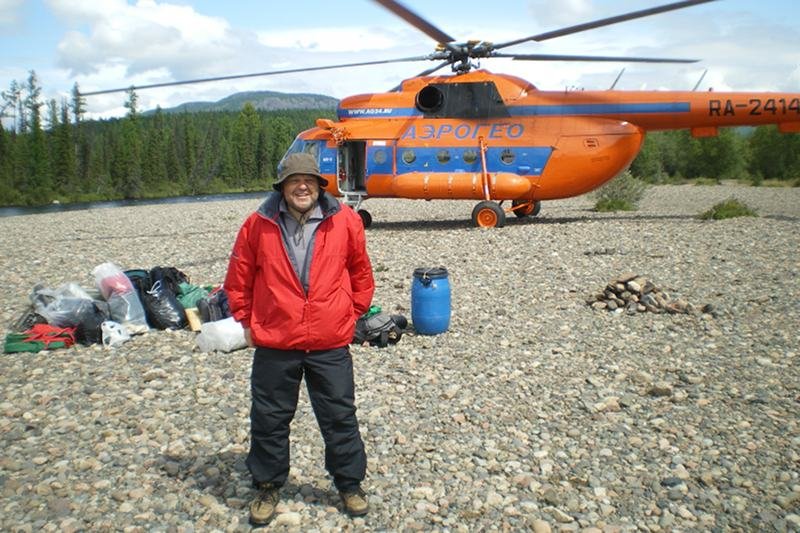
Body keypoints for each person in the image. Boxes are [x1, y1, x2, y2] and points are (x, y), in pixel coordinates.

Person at [224, 152, 375, 526]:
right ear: (282, 187)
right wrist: (246, 321)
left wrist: (350, 313)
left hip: (329, 341)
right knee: (270, 418)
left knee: (339, 416)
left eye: (308, 180)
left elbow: (360, 271)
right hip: (276, 341)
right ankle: (268, 484)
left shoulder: (345, 221)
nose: (302, 186)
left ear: (320, 185)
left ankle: (349, 483)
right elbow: (239, 278)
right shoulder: (257, 225)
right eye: (294, 181)